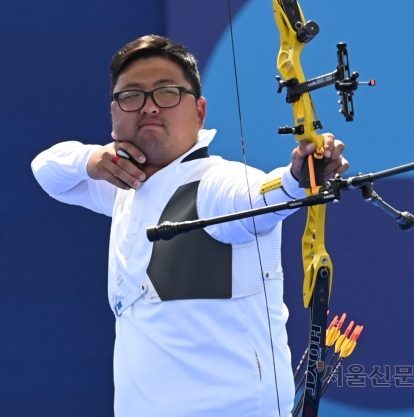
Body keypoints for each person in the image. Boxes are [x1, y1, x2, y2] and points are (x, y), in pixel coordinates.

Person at [31, 35, 348, 417]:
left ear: (199, 112)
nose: (148, 108)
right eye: (131, 96)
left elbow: (259, 196)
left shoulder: (214, 184)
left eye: (166, 93)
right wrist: (94, 159)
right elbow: (46, 170)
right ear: (113, 114)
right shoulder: (124, 188)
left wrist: (297, 178)